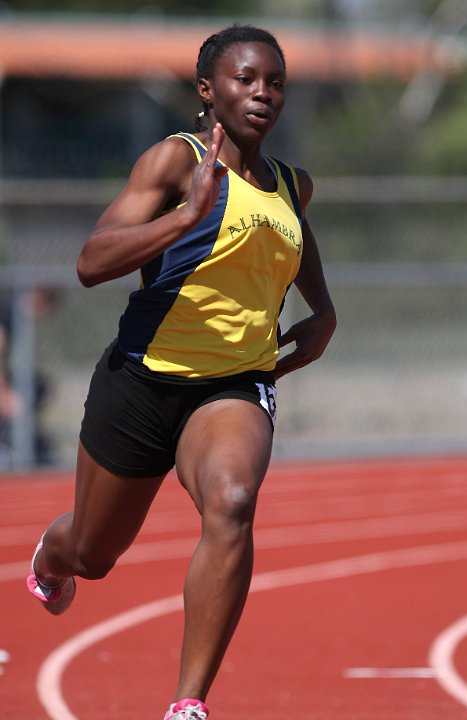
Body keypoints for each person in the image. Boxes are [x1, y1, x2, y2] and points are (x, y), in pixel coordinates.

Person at [26, 25, 336, 720]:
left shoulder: (291, 184)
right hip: (141, 381)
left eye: (274, 82)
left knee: (232, 503)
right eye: (245, 79)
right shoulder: (175, 161)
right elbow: (91, 261)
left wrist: (324, 309)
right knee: (93, 554)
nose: (262, 93)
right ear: (207, 90)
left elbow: (291, 232)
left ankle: (187, 704)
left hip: (233, 386)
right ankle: (54, 549)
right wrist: (186, 215)